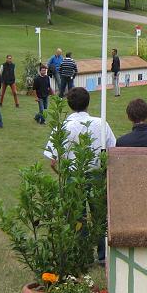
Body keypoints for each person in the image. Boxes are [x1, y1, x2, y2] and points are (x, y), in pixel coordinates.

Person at [43, 87, 115, 265]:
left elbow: (52, 160)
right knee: (99, 215)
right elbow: (113, 149)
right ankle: (102, 255)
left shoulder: (64, 126)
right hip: (97, 174)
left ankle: (83, 256)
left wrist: (64, 174)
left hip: (73, 176)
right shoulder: (101, 123)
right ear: (88, 103)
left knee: (77, 216)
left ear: (68, 104)